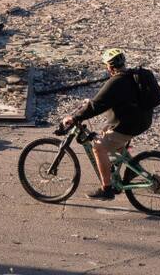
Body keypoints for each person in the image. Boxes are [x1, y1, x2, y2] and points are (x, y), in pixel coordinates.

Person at [60, 48, 153, 201]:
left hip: (129, 125)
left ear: (109, 67)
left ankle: (106, 189)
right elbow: (103, 101)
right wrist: (90, 104)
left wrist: (74, 117)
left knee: (98, 147)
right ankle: (133, 168)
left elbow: (96, 106)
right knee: (106, 133)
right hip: (141, 120)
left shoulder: (115, 81)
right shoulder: (130, 76)